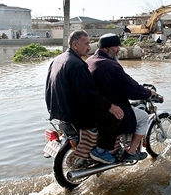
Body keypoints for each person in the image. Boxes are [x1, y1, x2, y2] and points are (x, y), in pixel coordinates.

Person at [45, 30, 124, 164]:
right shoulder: (77, 64)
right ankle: (100, 151)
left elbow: (48, 87)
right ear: (75, 45)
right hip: (74, 114)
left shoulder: (58, 59)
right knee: (116, 116)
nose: (89, 47)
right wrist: (110, 106)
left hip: (57, 111)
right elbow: (88, 94)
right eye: (86, 43)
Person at [86, 33, 157, 162]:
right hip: (111, 108)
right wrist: (148, 92)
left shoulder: (90, 60)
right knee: (143, 117)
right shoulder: (110, 65)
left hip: (95, 107)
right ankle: (131, 151)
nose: (119, 50)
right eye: (116, 47)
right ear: (106, 48)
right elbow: (130, 87)